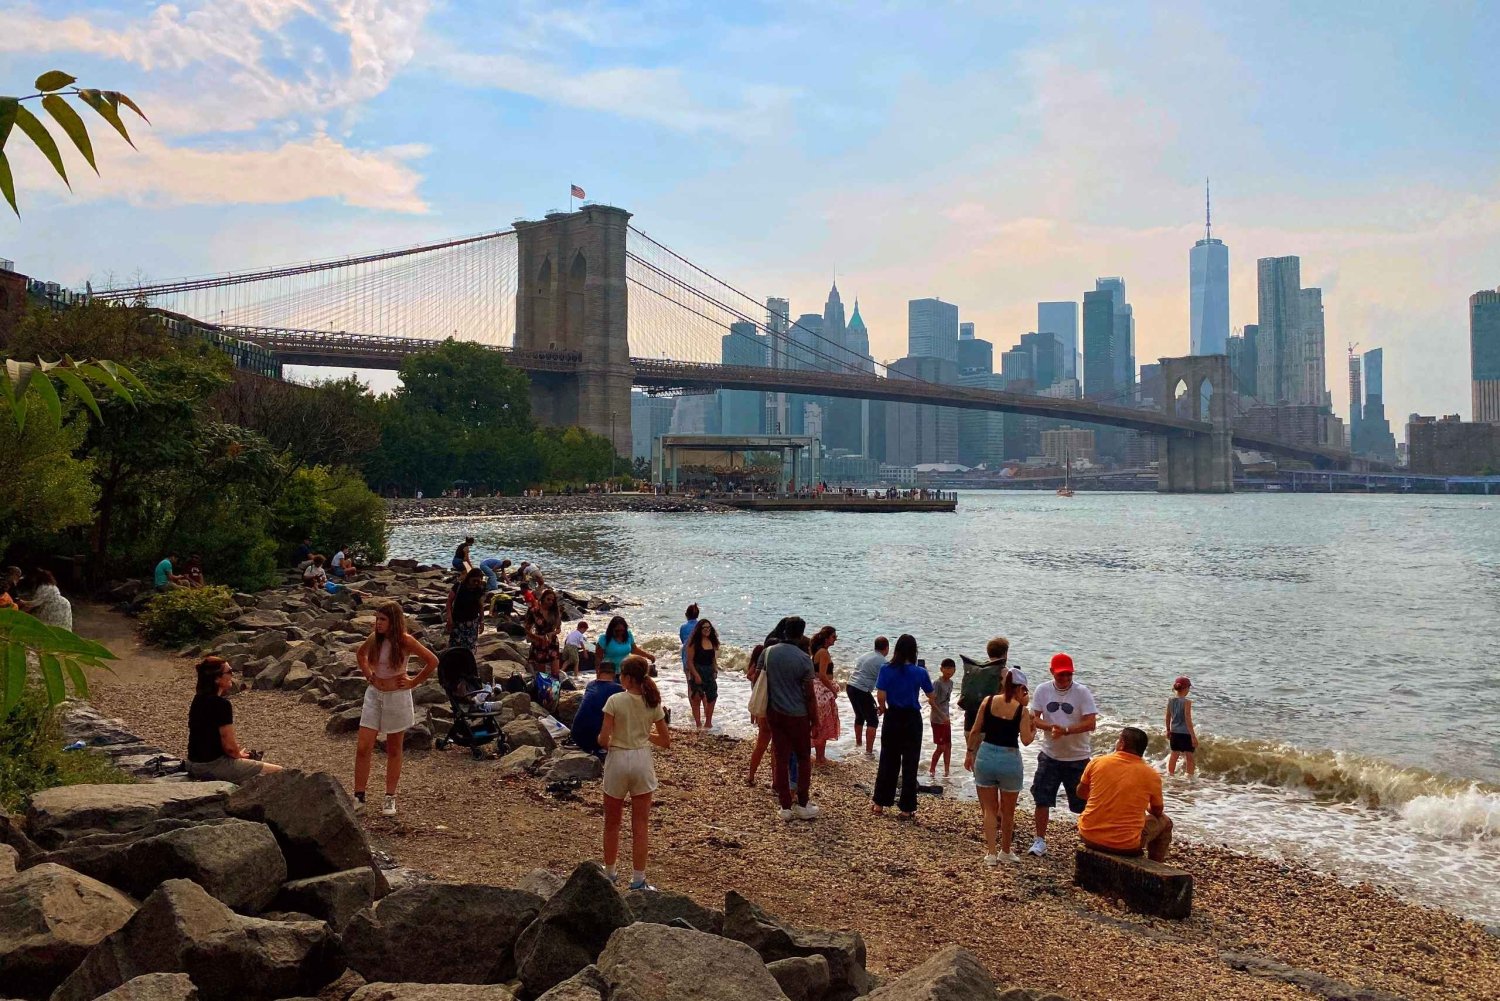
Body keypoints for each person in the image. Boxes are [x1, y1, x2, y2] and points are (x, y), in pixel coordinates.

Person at [354, 600, 439, 817]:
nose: (378, 623)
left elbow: (432, 661)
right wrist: (368, 674)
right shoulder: (375, 638)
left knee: (394, 748)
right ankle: (359, 795)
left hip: (397, 697)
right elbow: (360, 655)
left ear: (393, 621)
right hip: (374, 695)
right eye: (377, 619)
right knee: (364, 746)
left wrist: (413, 682)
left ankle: (389, 797)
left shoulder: (405, 641)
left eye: (382, 619)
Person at [599, 655, 671, 890]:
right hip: (641, 759)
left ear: (628, 678)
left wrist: (608, 740)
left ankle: (609, 872)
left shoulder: (614, 700)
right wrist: (643, 734)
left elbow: (603, 738)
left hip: (619, 758)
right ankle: (638, 879)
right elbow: (665, 741)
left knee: (612, 822)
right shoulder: (653, 703)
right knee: (640, 824)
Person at [1028, 652, 1098, 857]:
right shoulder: (1042, 690)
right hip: (1049, 755)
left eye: (1069, 675)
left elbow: (1091, 722)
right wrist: (1051, 727)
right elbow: (1035, 718)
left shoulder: (1081, 692)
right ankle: (1040, 840)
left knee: (1083, 803)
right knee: (1042, 798)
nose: (1065, 679)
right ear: (1052, 672)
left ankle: (1089, 840)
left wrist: (1067, 730)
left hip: (1077, 756)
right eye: (1061, 675)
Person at [966, 667, 1035, 864]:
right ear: (1020, 688)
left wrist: (970, 753)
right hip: (1009, 759)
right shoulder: (1022, 711)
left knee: (989, 809)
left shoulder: (988, 701)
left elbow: (975, 730)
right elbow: (1026, 740)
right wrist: (1034, 728)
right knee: (1008, 811)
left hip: (986, 754)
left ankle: (990, 853)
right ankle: (1006, 851)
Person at [1077, 726, 1173, 862]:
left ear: (1121, 744)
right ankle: (1155, 865)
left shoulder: (1098, 762)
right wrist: (1145, 808)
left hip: (1088, 835)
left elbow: (1080, 793)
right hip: (1125, 845)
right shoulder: (1151, 775)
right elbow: (1157, 811)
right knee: (1166, 823)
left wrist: (1104, 797)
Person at [186, 656, 284, 781]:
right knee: (279, 772)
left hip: (192, 763)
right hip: (211, 766)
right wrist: (239, 756)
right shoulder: (221, 705)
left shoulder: (198, 699)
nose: (232, 675)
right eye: (229, 672)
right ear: (217, 679)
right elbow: (230, 748)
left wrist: (238, 754)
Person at [762, 617, 820, 820]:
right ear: (802, 632)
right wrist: (816, 720)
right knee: (803, 758)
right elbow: (810, 694)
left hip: (775, 711)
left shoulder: (769, 652)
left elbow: (758, 678)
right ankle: (802, 803)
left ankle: (785, 806)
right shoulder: (804, 659)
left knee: (781, 758)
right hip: (798, 714)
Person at [872, 634, 932, 819]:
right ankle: (906, 807)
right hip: (912, 718)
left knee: (888, 759)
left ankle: (880, 803)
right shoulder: (920, 672)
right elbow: (931, 695)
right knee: (910, 762)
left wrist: (883, 709)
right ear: (914, 651)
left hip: (893, 716)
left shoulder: (886, 669)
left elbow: (881, 695)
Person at [570, 658, 624, 756]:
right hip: (595, 739)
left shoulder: (591, 684)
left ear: (598, 672)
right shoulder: (618, 688)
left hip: (576, 734)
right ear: (614, 674)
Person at [959, 637, 1009, 733]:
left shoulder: (976, 670)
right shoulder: (1003, 671)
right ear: (1005, 654)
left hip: (969, 720)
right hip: (989, 723)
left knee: (971, 748)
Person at [847, 636, 887, 757]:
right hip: (861, 689)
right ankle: (868, 752)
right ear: (886, 648)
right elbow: (884, 685)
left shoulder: (865, 655)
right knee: (873, 720)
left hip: (850, 686)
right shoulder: (883, 661)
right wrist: (882, 706)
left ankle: (858, 744)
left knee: (859, 716)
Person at [809, 626, 841, 764]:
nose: (836, 639)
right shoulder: (823, 653)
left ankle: (819, 755)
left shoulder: (819, 651)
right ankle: (820, 757)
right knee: (823, 722)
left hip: (817, 688)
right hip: (822, 690)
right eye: (834, 636)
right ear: (827, 638)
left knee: (820, 721)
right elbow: (822, 675)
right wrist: (832, 690)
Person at [685, 617, 721, 729]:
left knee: (712, 696)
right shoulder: (693, 643)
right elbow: (689, 662)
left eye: (709, 628)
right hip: (697, 670)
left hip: (709, 671)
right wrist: (695, 675)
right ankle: (698, 723)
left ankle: (708, 722)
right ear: (699, 629)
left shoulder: (712, 641)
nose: (707, 630)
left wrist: (715, 669)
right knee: (696, 697)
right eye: (704, 628)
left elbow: (713, 659)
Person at [524, 587, 564, 681]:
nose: (550, 602)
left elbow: (558, 629)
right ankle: (544, 694)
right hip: (539, 643)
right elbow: (526, 629)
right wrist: (538, 637)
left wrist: (551, 634)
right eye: (548, 599)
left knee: (555, 673)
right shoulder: (534, 611)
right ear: (542, 598)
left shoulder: (555, 612)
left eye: (552, 600)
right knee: (542, 674)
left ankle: (555, 694)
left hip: (553, 642)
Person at [445, 568, 487, 651]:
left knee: (469, 647)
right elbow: (449, 602)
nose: (476, 583)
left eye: (478, 581)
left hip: (472, 623)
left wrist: (482, 621)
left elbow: (481, 606)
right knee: (455, 646)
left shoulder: (479, 589)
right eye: (474, 580)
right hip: (457, 621)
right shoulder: (458, 586)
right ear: (469, 578)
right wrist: (449, 618)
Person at [928, 658, 957, 778]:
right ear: (941, 669)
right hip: (937, 719)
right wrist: (942, 715)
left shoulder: (951, 683)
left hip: (946, 718)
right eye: (947, 668)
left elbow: (946, 701)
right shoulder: (937, 683)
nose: (949, 671)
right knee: (941, 747)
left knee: (948, 745)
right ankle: (932, 769)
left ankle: (946, 771)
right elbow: (931, 702)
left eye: (952, 668)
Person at [1166, 676, 1198, 777]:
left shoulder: (1171, 700)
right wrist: (1193, 736)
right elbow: (1188, 719)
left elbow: (1167, 716)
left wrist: (1168, 729)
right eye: (1188, 688)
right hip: (1185, 733)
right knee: (1189, 756)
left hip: (1174, 732)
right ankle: (1189, 777)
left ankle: (1170, 774)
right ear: (1185, 688)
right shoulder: (1187, 702)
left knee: (1174, 754)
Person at [679, 603, 700, 672]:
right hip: (699, 651)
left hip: (686, 652)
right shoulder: (701, 625)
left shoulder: (683, 627)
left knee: (689, 676)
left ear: (686, 615)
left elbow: (682, 640)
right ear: (698, 615)